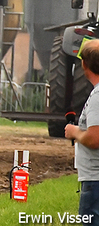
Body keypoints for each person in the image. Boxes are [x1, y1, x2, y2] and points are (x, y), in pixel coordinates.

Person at [65, 38, 99, 226]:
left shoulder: (97, 98)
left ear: (84, 64)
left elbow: (95, 139)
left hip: (96, 181)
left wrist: (74, 132)